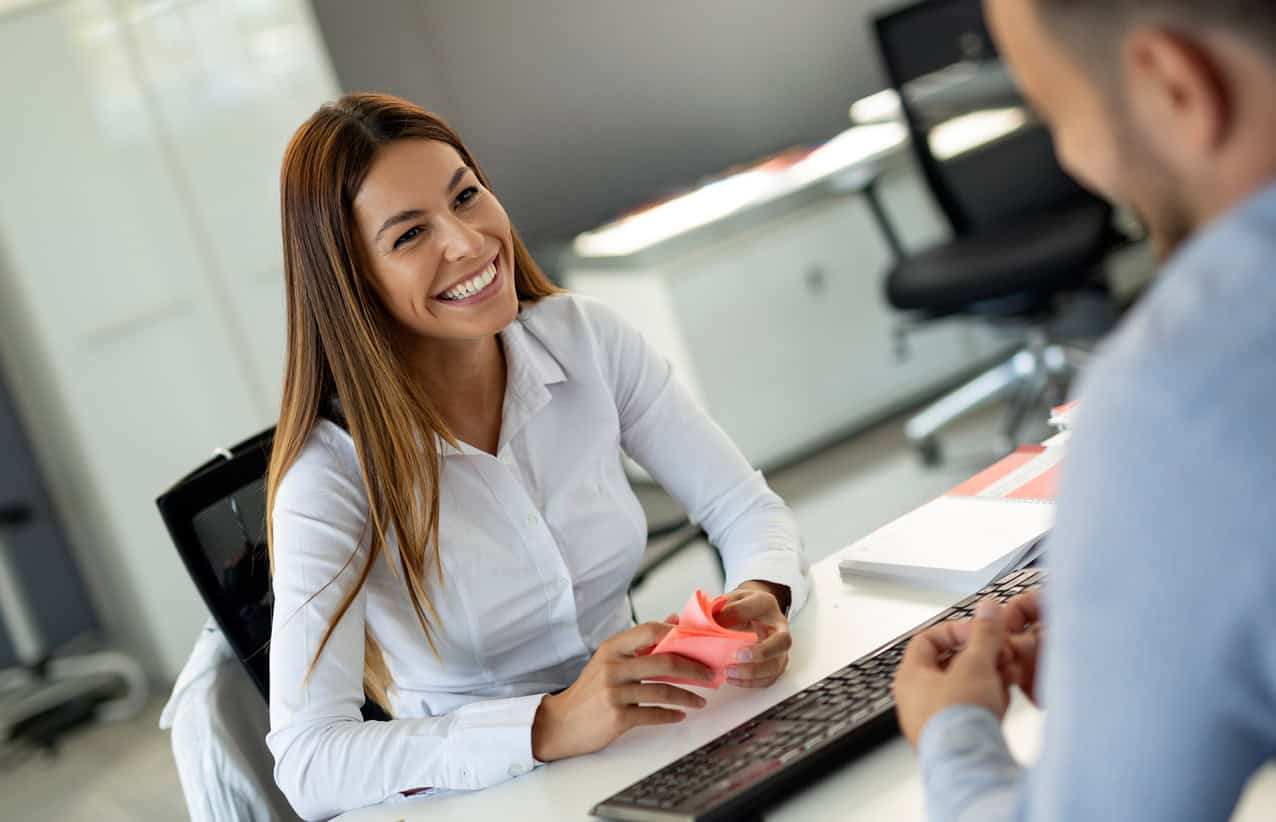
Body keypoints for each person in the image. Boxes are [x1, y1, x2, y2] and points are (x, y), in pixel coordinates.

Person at [264, 93, 810, 820]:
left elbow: (742, 507)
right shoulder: (329, 478)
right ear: (352, 283)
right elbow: (309, 762)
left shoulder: (583, 339)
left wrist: (763, 595)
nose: (465, 242)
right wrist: (548, 725)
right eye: (409, 235)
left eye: (466, 196)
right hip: (480, 796)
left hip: (648, 750)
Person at [893, 0, 1276, 819]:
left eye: (1059, 116)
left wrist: (953, 733)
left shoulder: (1178, 392)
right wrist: (1159, 621)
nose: (1076, 162)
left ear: (1175, 87)